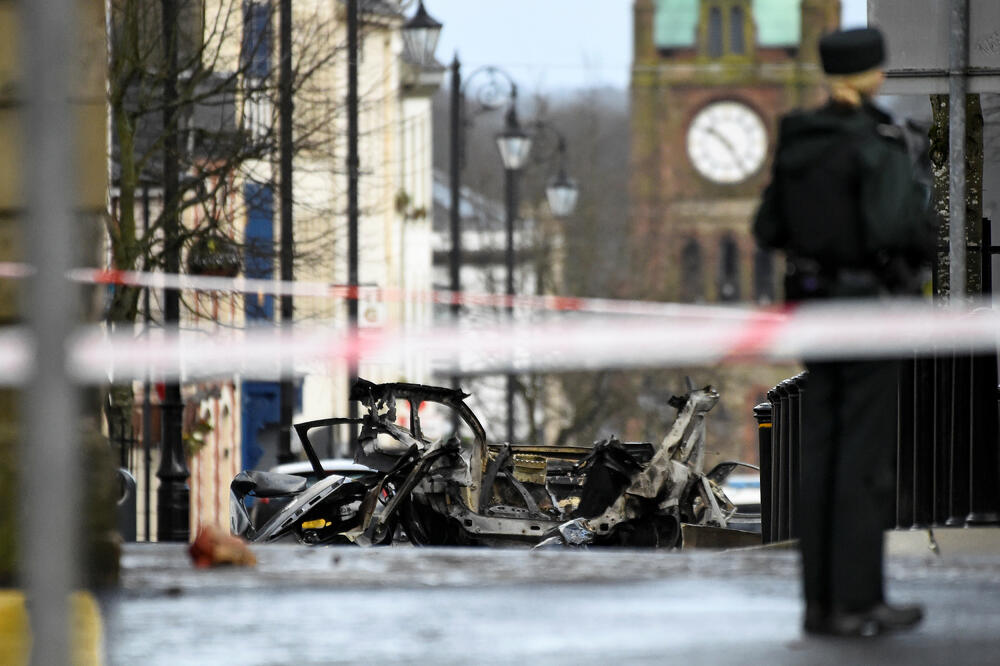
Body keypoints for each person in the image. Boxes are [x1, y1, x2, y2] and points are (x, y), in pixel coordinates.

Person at [753, 27, 935, 637]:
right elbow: (894, 226)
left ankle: (819, 603)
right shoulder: (875, 141)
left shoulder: (799, 140)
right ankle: (859, 601)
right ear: (873, 74)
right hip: (867, 310)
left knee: (822, 455)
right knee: (863, 460)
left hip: (814, 308)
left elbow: (768, 227)